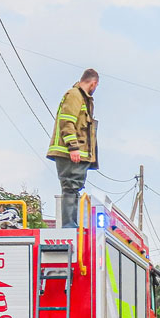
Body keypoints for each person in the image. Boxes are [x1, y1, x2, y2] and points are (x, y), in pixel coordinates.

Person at [47, 68, 99, 228]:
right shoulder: (75, 96)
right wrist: (73, 147)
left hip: (73, 153)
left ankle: (71, 223)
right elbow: (67, 123)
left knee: (74, 188)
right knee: (70, 187)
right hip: (69, 153)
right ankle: (69, 225)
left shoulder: (81, 98)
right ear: (93, 83)